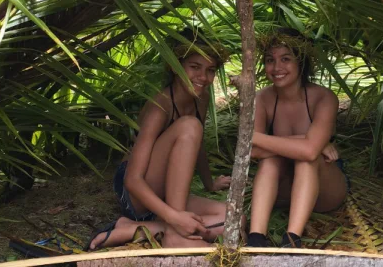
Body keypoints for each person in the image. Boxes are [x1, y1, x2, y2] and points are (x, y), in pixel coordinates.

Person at [88, 31, 232, 250]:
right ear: (175, 66)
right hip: (137, 191)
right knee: (189, 126)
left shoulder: (200, 97)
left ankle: (136, 228)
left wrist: (209, 183)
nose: (203, 77)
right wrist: (175, 217)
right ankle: (174, 232)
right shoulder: (160, 107)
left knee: (233, 219)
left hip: (166, 195)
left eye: (210, 70)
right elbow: (132, 180)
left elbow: (197, 143)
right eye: (195, 67)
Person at [247, 28, 348, 248]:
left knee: (306, 159)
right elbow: (251, 152)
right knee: (270, 161)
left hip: (325, 191)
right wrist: (305, 139)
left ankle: (292, 240)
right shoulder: (262, 99)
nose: (277, 68)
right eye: (270, 60)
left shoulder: (323, 98)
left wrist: (255, 137)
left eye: (286, 59)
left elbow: (310, 152)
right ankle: (256, 239)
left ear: (301, 61)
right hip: (282, 192)